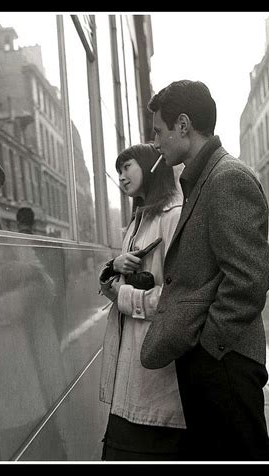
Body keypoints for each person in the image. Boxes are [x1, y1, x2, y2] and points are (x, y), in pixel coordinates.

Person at [141, 80, 269, 461]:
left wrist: (208, 346)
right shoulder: (203, 179)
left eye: (158, 131)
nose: (156, 142)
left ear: (183, 125)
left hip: (224, 362)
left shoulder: (226, 178)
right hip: (217, 362)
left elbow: (250, 278)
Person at [98, 143, 186, 461]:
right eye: (119, 170)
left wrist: (124, 295)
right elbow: (119, 288)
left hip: (155, 375)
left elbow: (179, 300)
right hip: (131, 373)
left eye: (127, 167)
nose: (121, 176)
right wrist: (114, 268)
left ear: (151, 167)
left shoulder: (172, 217)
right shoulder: (138, 222)